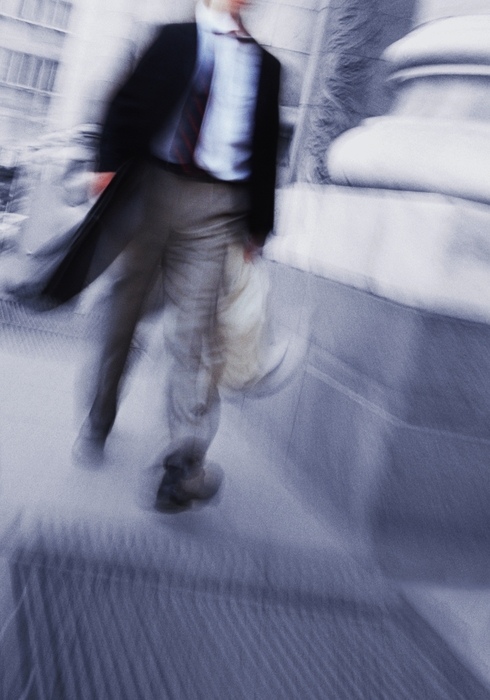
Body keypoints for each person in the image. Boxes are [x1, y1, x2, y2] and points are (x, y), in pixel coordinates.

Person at [73, 0, 281, 510]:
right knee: (124, 322)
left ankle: (183, 458)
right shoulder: (172, 39)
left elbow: (266, 150)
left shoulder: (267, 66)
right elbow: (121, 103)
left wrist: (258, 228)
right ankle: (101, 413)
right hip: (153, 198)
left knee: (196, 335)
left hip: (218, 207)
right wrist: (105, 165)